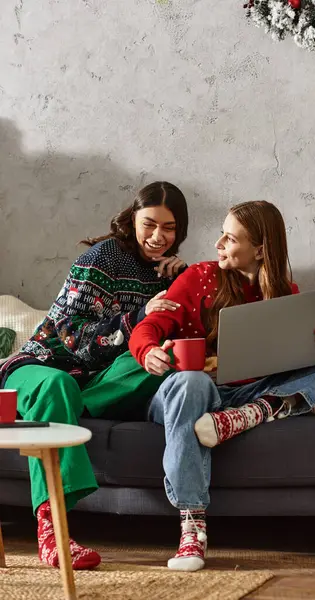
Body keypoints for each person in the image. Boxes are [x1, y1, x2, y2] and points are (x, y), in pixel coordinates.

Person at [129, 200, 315, 572]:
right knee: (190, 383)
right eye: (221, 234)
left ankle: (259, 411)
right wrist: (149, 351)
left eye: (231, 238)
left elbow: (293, 360)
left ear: (260, 249)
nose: (219, 243)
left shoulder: (285, 291)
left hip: (246, 396)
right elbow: (149, 327)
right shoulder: (198, 277)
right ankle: (192, 524)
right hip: (191, 393)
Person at [0, 181, 189, 570]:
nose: (158, 237)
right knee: (58, 385)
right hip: (42, 367)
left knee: (165, 359)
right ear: (132, 219)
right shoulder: (103, 258)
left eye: (168, 228)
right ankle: (52, 532)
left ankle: (63, 412)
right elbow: (70, 335)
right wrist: (138, 315)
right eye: (149, 224)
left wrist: (177, 283)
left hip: (92, 382)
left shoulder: (167, 272)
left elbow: (165, 336)